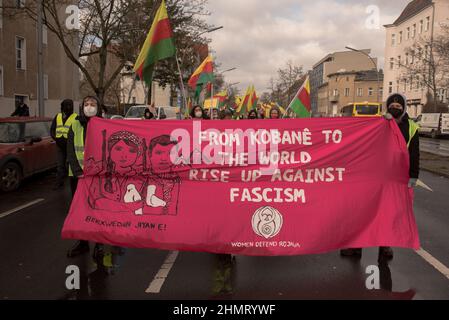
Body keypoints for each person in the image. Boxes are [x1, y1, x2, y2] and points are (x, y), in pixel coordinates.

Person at [341, 93, 420, 261]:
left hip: (397, 178)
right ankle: (356, 246)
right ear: (387, 106)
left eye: (399, 107)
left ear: (404, 108)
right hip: (375, 175)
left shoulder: (411, 127)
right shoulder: (379, 122)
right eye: (392, 106)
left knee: (390, 214)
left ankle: (385, 247)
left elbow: (414, 153)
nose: (395, 109)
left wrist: (414, 175)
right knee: (364, 210)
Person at [66, 96, 103, 258]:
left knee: (99, 210)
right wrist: (77, 171)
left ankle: (99, 244)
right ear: (82, 107)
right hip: (78, 176)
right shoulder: (75, 124)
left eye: (93, 104)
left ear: (98, 107)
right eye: (86, 104)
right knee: (80, 211)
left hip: (98, 176)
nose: (89, 107)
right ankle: (83, 243)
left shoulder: (105, 124)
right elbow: (70, 150)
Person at [50, 99, 77, 189]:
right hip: (59, 145)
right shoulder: (58, 116)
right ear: (62, 107)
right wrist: (56, 138)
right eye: (67, 105)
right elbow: (52, 129)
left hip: (70, 146)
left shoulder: (75, 117)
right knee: (60, 165)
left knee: (70, 165)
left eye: (70, 105)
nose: (69, 107)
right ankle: (59, 182)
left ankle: (72, 183)